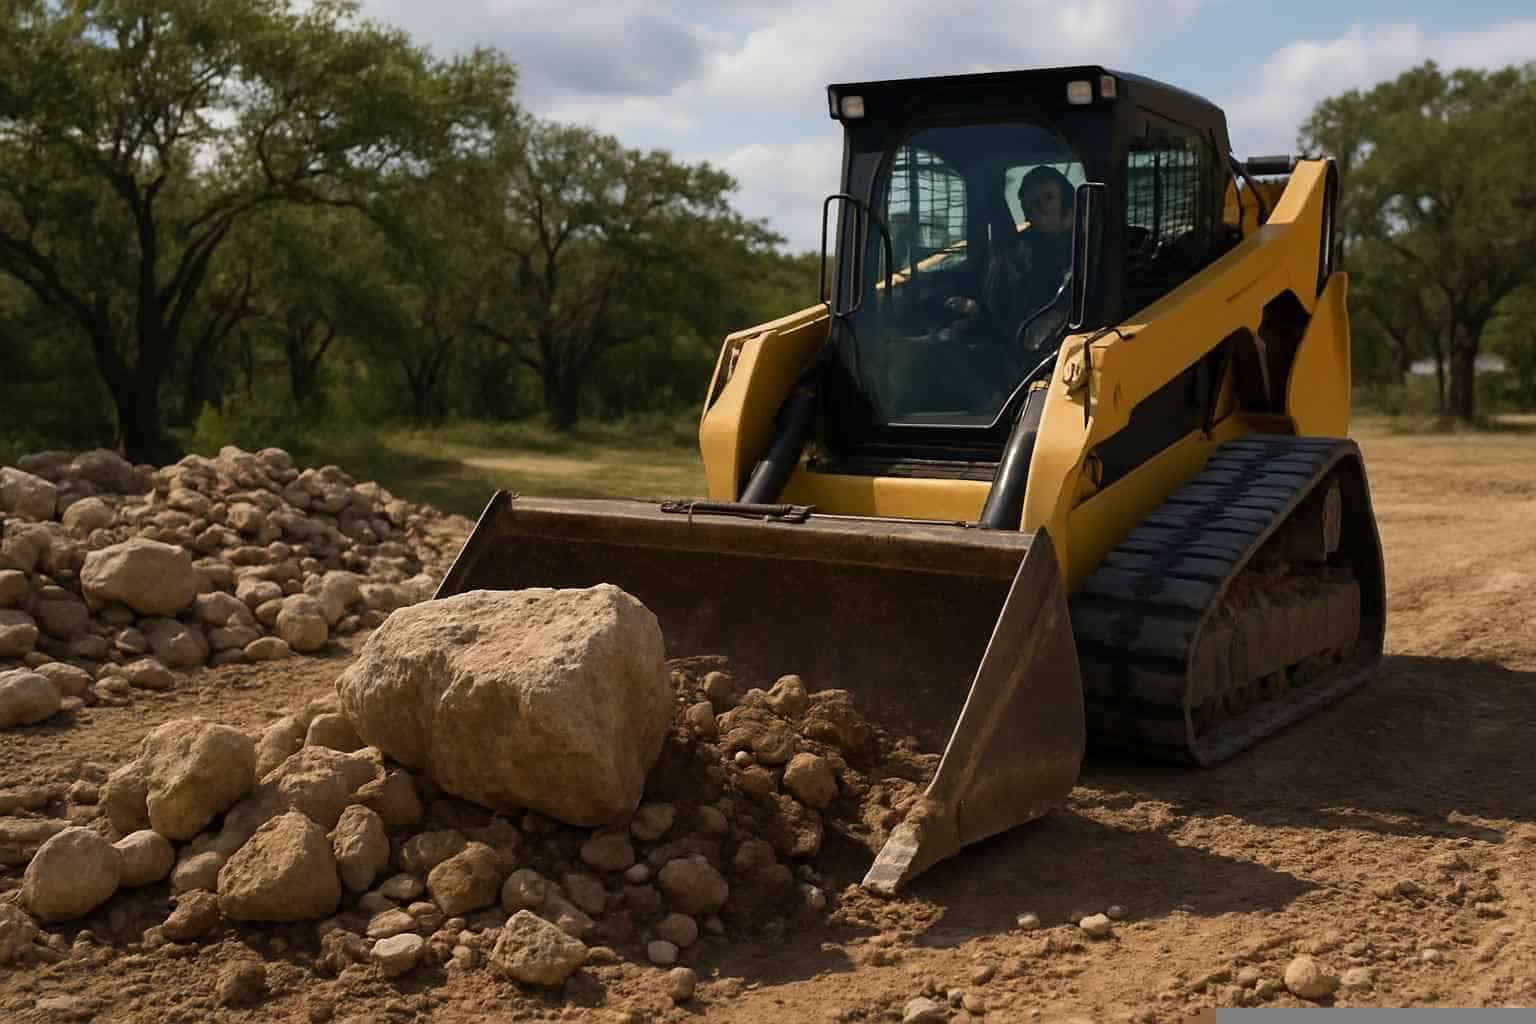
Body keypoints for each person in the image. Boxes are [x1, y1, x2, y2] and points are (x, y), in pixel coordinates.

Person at [943, 165, 1076, 353]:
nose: (1041, 208)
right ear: (1027, 214)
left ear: (1069, 201)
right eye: (1032, 204)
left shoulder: (1091, 247)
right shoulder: (1019, 255)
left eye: (1049, 198)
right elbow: (1006, 318)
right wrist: (976, 311)